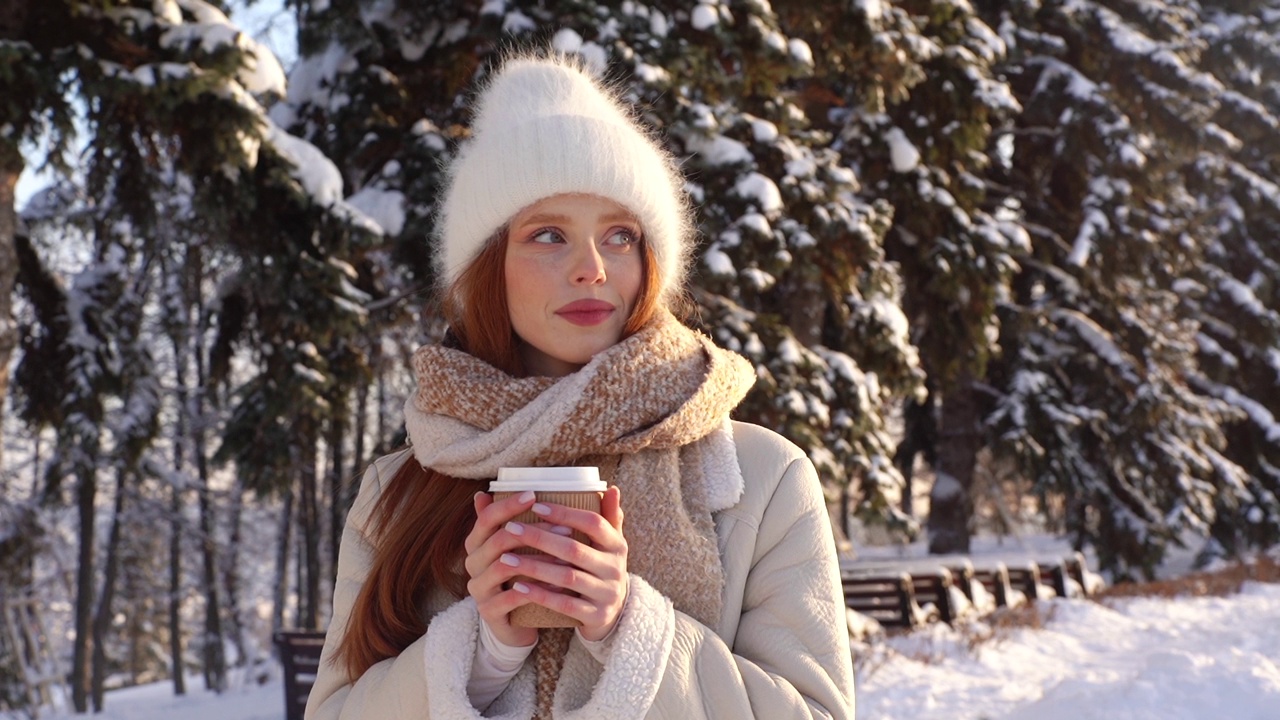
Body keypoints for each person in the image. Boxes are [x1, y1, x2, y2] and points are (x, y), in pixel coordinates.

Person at [305, 51, 855, 720]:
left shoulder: (761, 480)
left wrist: (631, 629)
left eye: (620, 235)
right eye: (547, 235)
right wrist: (479, 652)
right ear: (488, 268)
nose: (592, 268)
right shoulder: (399, 492)